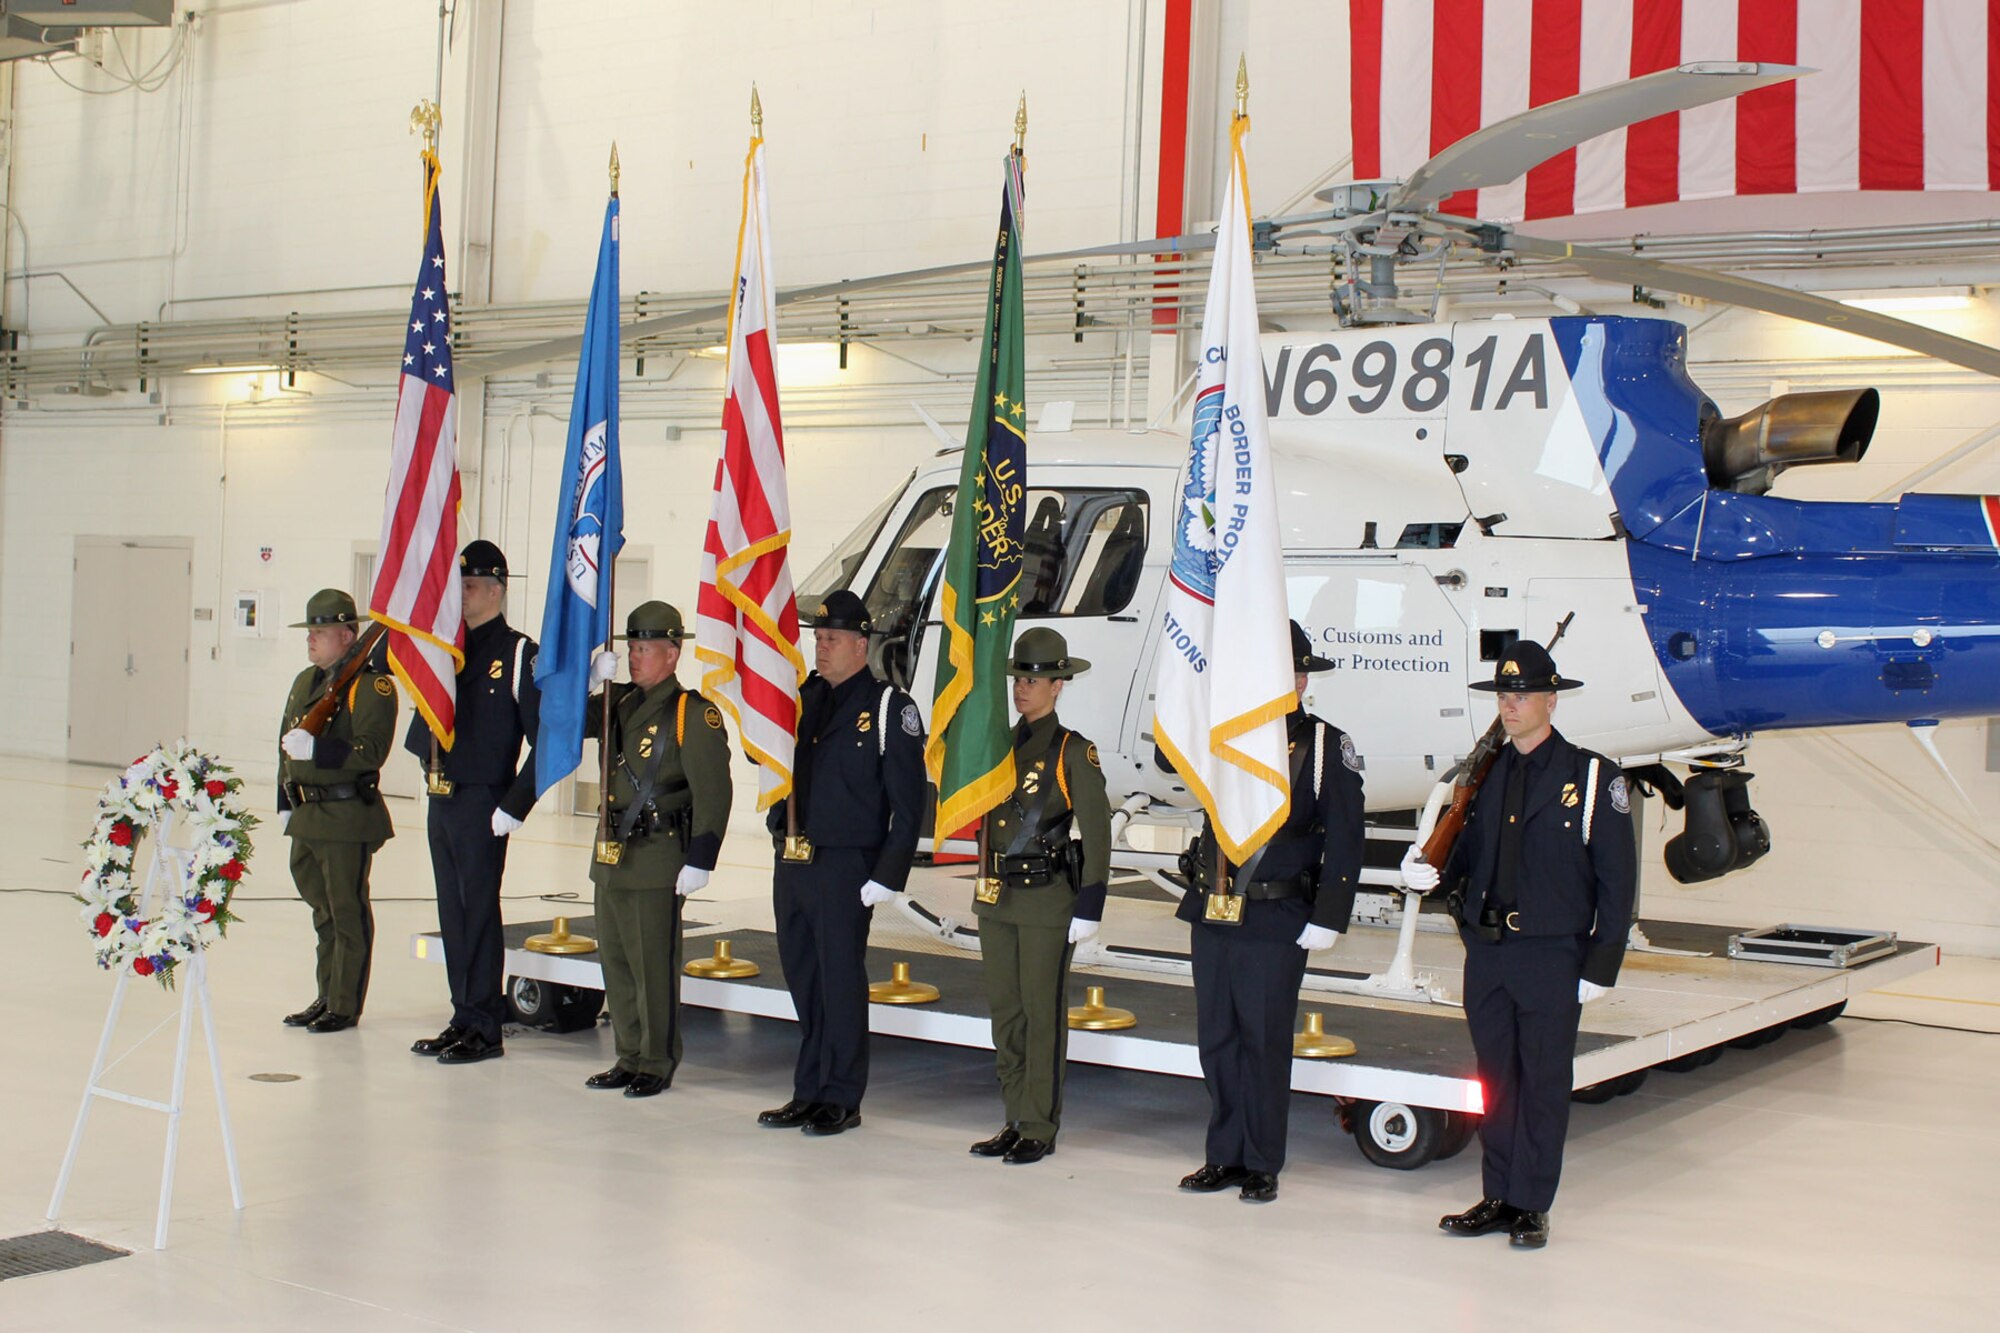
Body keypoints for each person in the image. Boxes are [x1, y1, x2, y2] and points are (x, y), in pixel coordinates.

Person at [1402, 641, 1637, 1249]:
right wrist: (1431, 873)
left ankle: (1532, 1203)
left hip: (1551, 954)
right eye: (1504, 695)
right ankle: (1497, 1195)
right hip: (1488, 953)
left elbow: (1617, 878)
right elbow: (1467, 860)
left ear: (1550, 701)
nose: (1511, 705)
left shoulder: (1590, 776)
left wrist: (1603, 959)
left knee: (1542, 1082)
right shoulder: (1482, 777)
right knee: (1496, 1081)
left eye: (1523, 695)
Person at [1172, 620, 1364, 1204]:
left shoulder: (1327, 745)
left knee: (1263, 1041)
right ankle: (1223, 1155)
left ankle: (1261, 1161)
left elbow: (1347, 837)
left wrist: (1330, 914)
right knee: (1218, 1040)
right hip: (1215, 910)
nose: (1298, 681)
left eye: (1302, 672)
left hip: (1278, 917)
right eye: (1287, 671)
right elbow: (1168, 758)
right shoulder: (1223, 733)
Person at [758, 590, 926, 1136]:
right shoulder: (800, 700)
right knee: (804, 977)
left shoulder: (887, 707)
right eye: (817, 638)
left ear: (861, 644)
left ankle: (841, 1095)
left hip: (847, 865)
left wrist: (888, 874)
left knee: (839, 979)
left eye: (832, 639)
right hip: (795, 858)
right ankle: (808, 1089)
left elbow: (908, 801)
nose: (821, 647)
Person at [967, 627, 1111, 1167]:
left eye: (1032, 680)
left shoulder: (1074, 751)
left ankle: (1039, 1124)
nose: (1021, 689)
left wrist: (1091, 901)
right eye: (1018, 679)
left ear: (1057, 685)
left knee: (1040, 1013)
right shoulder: (996, 746)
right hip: (997, 896)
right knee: (1006, 1014)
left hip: (1048, 899)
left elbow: (1096, 832)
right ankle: (1013, 1116)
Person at [579, 601, 733, 1099]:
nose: (634, 657)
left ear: (673, 654)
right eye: (630, 647)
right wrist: (586, 681)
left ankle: (656, 1060)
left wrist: (702, 858)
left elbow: (715, 791)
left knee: (652, 966)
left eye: (645, 648)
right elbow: (558, 721)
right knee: (617, 961)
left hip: (658, 855)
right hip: (612, 857)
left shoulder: (692, 713)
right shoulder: (618, 704)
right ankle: (627, 1054)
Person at [404, 540, 542, 1066]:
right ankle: (462, 1016)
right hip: (444, 797)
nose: (459, 595)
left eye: (468, 586)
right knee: (452, 912)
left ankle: (486, 1027)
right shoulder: (446, 650)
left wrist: (515, 803)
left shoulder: (517, 652)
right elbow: (427, 726)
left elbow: (543, 739)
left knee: (480, 912)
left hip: (486, 801)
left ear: (496, 588)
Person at [277, 588, 397, 1034]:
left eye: (321, 631)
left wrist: (320, 750)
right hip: (307, 814)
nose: (311, 639)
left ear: (348, 635)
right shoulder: (305, 682)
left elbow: (372, 750)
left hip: (346, 816)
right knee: (322, 912)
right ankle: (326, 994)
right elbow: (284, 748)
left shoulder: (370, 686)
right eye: (310, 630)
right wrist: (283, 802)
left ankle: (344, 1005)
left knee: (346, 912)